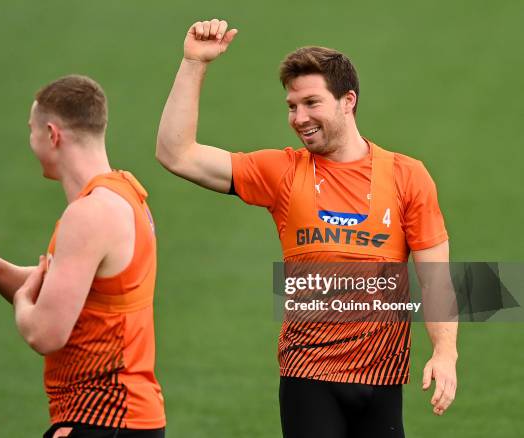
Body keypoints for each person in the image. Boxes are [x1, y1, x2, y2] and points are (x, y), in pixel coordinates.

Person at [156, 19, 457, 438]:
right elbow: (176, 153)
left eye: (311, 103)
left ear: (347, 100)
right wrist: (193, 63)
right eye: (292, 106)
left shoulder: (407, 176)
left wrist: (445, 352)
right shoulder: (281, 171)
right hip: (308, 376)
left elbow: (435, 276)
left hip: (384, 379)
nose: (299, 118)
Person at [0, 75, 166, 438]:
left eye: (31, 130)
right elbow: (75, 293)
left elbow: (45, 332)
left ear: (52, 135)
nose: (30, 141)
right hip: (127, 418)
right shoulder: (126, 193)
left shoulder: (89, 215)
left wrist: (22, 301)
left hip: (102, 418)